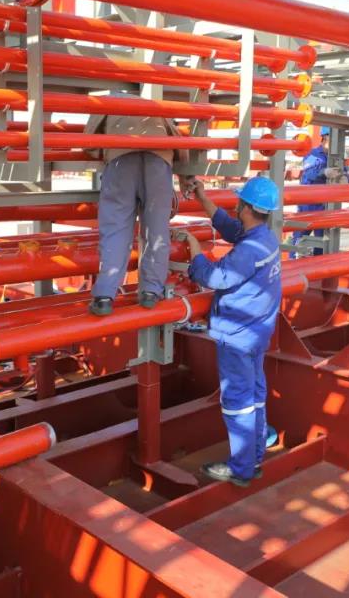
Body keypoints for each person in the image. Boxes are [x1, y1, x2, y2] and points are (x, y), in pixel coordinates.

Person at [174, 176, 282, 486]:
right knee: (255, 394)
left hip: (238, 335)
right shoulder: (264, 237)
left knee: (238, 401)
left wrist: (194, 249)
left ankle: (242, 468)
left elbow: (213, 277)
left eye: (238, 203)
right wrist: (202, 198)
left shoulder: (248, 252)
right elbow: (230, 228)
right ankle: (255, 456)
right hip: (258, 330)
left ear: (246, 207)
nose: (235, 207)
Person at [89, 111, 188, 316]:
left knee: (116, 230)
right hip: (158, 161)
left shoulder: (109, 102)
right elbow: (179, 142)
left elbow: (88, 141)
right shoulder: (158, 106)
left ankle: (105, 296)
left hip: (120, 159)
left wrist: (105, 151)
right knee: (157, 230)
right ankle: (151, 291)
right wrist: (186, 174)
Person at [292, 126, 341, 256]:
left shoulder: (337, 156)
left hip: (326, 205)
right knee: (299, 238)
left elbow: (344, 172)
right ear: (325, 137)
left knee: (323, 242)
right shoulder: (313, 154)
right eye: (333, 137)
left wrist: (345, 178)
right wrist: (323, 172)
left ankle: (319, 264)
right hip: (308, 204)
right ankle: (292, 261)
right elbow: (309, 173)